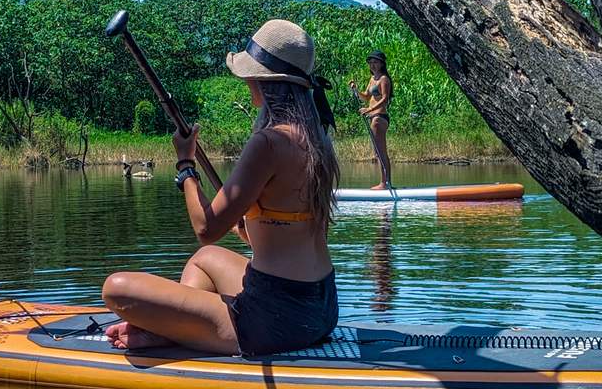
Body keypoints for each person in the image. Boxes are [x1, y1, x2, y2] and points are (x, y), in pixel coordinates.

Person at [102, 19, 340, 356]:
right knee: (205, 260)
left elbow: (205, 227)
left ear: (261, 80)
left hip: (275, 320)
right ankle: (178, 328)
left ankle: (173, 331)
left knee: (116, 288)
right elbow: (288, 226)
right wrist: (250, 228)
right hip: (322, 308)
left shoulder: (269, 142)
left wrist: (186, 166)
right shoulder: (319, 139)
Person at [349, 51, 392, 189]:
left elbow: (385, 99)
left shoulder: (384, 79)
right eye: (371, 63)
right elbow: (367, 97)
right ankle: (385, 182)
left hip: (379, 118)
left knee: (380, 152)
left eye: (375, 62)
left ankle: (385, 183)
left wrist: (369, 110)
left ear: (381, 64)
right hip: (373, 117)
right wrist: (356, 90)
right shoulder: (373, 79)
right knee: (378, 152)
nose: (373, 65)